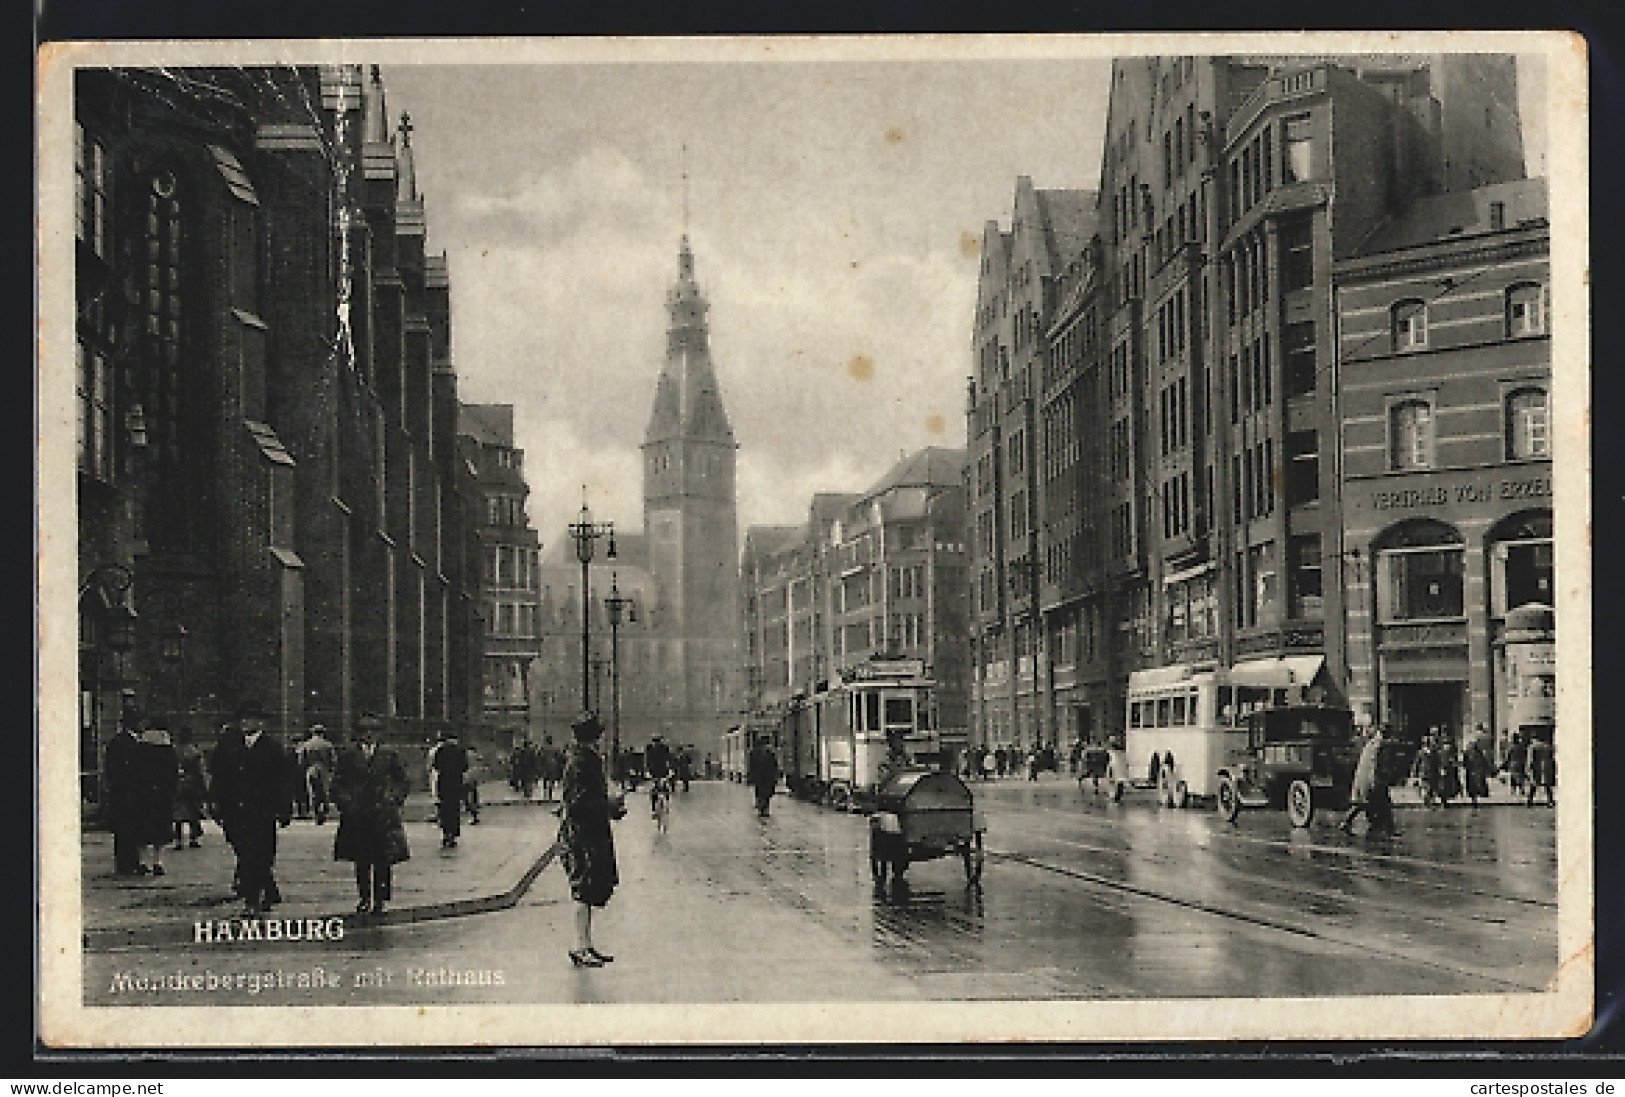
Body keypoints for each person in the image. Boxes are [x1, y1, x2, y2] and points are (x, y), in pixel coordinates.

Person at [212, 700, 293, 915]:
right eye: (244, 719)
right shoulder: (230, 746)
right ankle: (269, 889)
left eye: (251, 719)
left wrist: (284, 809)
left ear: (261, 723)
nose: (246, 723)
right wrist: (216, 803)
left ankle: (252, 900)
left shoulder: (272, 748)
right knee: (245, 851)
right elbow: (219, 777)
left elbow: (282, 781)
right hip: (234, 811)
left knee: (256, 853)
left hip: (261, 811)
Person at [332, 714, 411, 915]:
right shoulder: (349, 755)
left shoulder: (388, 755)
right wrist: (347, 802)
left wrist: (394, 798)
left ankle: (380, 900)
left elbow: (402, 780)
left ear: (379, 734)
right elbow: (337, 783)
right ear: (358, 735)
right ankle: (364, 898)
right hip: (358, 814)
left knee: (383, 859)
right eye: (364, 731)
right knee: (362, 859)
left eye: (373, 731)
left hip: (382, 814)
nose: (368, 735)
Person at [559, 713, 619, 967]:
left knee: (588, 888)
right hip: (584, 834)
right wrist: (610, 805)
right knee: (583, 890)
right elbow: (580, 803)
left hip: (587, 831)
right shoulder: (583, 762)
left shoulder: (582, 759)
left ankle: (586, 944)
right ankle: (580, 947)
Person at [134, 724, 179, 876]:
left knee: (142, 829)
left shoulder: (140, 750)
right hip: (162, 796)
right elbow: (173, 775)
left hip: (142, 795)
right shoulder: (167, 750)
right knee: (161, 829)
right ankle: (157, 861)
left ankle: (142, 861)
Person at [103, 711, 143, 875]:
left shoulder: (116, 742)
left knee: (124, 829)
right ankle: (130, 863)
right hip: (130, 791)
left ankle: (126, 863)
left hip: (119, 791)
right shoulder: (132, 744)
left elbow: (109, 768)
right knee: (130, 828)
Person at [1341, 726, 1388, 834]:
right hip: (1369, 778)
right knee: (1370, 802)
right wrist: (1373, 779)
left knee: (1365, 803)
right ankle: (1388, 828)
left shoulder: (1372, 743)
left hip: (1365, 777)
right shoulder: (1377, 744)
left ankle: (1377, 825)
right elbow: (1373, 763)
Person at [430, 730, 469, 848]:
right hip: (456, 782)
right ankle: (452, 834)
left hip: (444, 782)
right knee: (454, 809)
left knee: (444, 809)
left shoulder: (440, 750)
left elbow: (436, 765)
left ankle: (445, 833)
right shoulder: (460, 751)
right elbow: (464, 766)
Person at [171, 728, 207, 849]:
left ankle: (179, 840)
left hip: (176, 784)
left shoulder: (174, 750)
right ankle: (193, 838)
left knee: (177, 815)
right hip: (192, 784)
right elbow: (200, 771)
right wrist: (203, 787)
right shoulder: (194, 752)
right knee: (193, 812)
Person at [297, 725, 337, 825]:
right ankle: (323, 811)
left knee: (313, 792)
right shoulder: (327, 745)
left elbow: (301, 760)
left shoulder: (306, 745)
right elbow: (333, 760)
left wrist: (304, 769)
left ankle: (315, 813)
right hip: (324, 769)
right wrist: (331, 770)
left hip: (311, 769)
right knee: (325, 792)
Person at [747, 735, 779, 818]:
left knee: (766, 793)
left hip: (766, 777)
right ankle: (763, 808)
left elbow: (774, 765)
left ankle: (764, 807)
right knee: (762, 793)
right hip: (762, 777)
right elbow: (752, 766)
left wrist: (775, 776)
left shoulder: (768, 754)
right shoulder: (756, 754)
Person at [1463, 728, 1494, 807]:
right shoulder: (1474, 750)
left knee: (1475, 785)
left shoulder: (1473, 750)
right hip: (1473, 769)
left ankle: (1475, 799)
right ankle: (1475, 799)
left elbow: (1466, 760)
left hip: (1473, 769)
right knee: (1475, 785)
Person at [1526, 734, 1556, 807]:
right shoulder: (1548, 746)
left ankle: (1529, 801)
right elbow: (1552, 757)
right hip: (1547, 766)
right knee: (1547, 785)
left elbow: (1531, 759)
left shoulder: (1532, 747)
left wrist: (1528, 768)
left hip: (1537, 767)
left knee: (1533, 784)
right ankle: (1550, 801)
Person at [462, 744, 483, 825]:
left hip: (467, 775)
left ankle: (470, 809)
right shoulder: (476, 755)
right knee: (473, 792)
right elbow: (480, 761)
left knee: (467, 793)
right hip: (475, 775)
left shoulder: (465, 755)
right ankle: (474, 807)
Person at [1503, 731, 1528, 796]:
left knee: (1513, 777)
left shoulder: (1511, 747)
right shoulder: (1522, 746)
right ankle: (1521, 789)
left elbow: (1508, 756)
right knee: (1521, 776)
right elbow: (1525, 755)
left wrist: (1505, 763)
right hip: (1521, 763)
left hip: (1513, 763)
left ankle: (1513, 790)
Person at [538, 736, 563, 802]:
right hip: (553, 765)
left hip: (546, 765)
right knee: (552, 780)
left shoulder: (543, 748)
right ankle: (550, 794)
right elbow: (559, 757)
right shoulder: (555, 748)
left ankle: (544, 793)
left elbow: (541, 756)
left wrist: (540, 765)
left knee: (545, 779)